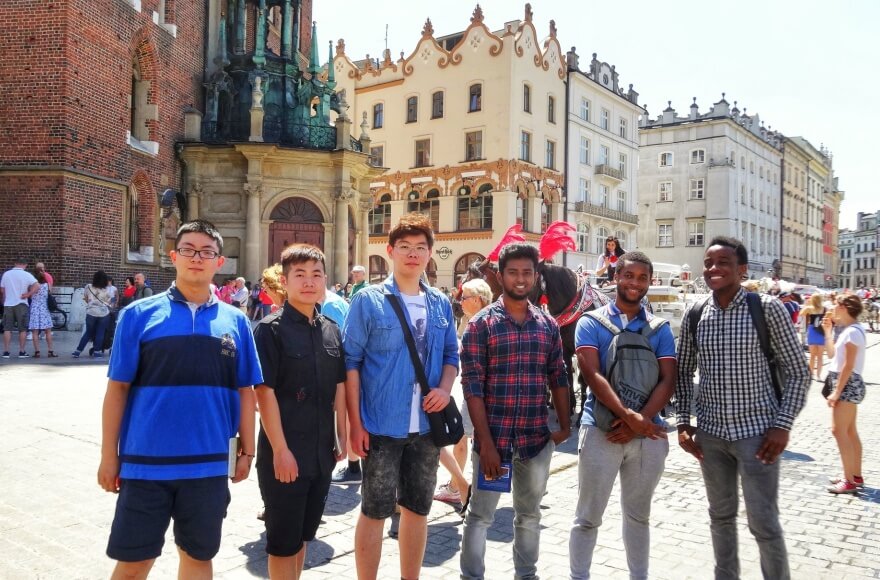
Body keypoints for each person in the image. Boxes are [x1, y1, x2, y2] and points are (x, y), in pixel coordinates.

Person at [98, 219, 261, 578]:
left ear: (220, 262)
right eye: (188, 250)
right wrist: (109, 456)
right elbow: (117, 390)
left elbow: (245, 392)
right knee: (133, 564)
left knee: (198, 559)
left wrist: (248, 452)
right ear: (174, 256)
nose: (196, 258)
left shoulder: (235, 322)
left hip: (208, 464)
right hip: (145, 464)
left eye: (207, 252)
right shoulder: (137, 315)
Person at [676, 236, 810, 580]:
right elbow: (682, 370)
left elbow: (798, 372)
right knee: (720, 518)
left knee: (763, 522)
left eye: (723, 262)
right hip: (711, 436)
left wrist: (783, 425)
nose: (713, 269)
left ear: (742, 269)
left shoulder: (766, 308)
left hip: (758, 435)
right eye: (709, 263)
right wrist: (682, 423)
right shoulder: (695, 313)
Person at [342, 212, 459, 580]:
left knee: (417, 509)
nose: (413, 254)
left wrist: (444, 387)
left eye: (421, 248)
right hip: (380, 423)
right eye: (405, 247)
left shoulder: (440, 303)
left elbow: (452, 356)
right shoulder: (369, 300)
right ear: (390, 251)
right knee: (375, 510)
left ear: (429, 254)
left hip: (426, 426)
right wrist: (354, 424)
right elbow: (351, 363)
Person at [459, 242, 571, 580]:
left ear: (536, 276)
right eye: (513, 272)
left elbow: (559, 374)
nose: (520, 279)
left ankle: (527, 574)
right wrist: (488, 444)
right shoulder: (481, 326)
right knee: (480, 516)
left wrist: (564, 426)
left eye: (527, 273)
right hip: (495, 444)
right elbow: (472, 388)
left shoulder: (547, 325)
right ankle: (471, 575)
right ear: (500, 276)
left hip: (536, 441)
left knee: (529, 514)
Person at [569, 251, 677, 580]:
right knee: (588, 516)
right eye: (628, 275)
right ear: (616, 277)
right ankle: (579, 576)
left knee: (638, 516)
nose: (635, 282)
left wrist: (639, 422)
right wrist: (632, 418)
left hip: (646, 436)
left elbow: (668, 380)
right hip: (602, 430)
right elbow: (591, 374)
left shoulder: (660, 328)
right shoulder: (590, 322)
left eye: (642, 277)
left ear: (650, 282)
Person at [253, 244, 347, 578]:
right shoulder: (270, 330)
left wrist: (342, 437)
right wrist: (280, 450)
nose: (309, 282)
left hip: (321, 454)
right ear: (286, 280)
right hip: (285, 453)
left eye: (316, 275)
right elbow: (264, 394)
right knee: (282, 541)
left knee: (304, 536)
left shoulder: (332, 330)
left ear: (324, 280)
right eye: (300, 275)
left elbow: (338, 388)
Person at [434, 278, 492, 509]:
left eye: (464, 297)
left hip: (476, 391)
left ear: (477, 300)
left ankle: (458, 487)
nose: (460, 301)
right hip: (476, 390)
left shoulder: (480, 323)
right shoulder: (477, 320)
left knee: (460, 436)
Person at [822, 294, 867, 494]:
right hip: (846, 382)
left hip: (846, 384)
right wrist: (828, 332)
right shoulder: (851, 331)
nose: (833, 308)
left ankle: (849, 480)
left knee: (838, 431)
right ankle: (854, 475)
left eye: (836, 305)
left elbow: (848, 366)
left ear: (844, 307)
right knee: (849, 431)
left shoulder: (852, 333)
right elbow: (832, 356)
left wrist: (836, 392)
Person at [1, 257, 39, 358]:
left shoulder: (6, 274)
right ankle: (22, 351)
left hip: (8, 304)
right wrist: (28, 294)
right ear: (25, 265)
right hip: (22, 304)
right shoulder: (27, 275)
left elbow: (2, 290)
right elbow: (37, 285)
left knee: (7, 329)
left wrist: (4, 301)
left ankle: (6, 352)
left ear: (15, 263)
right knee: (22, 329)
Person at [72, 270, 114, 359]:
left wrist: (91, 303)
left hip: (91, 313)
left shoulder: (88, 287)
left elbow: (86, 298)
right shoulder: (107, 290)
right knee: (100, 332)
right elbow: (109, 301)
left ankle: (77, 351)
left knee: (88, 332)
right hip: (103, 313)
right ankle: (97, 352)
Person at [28, 270, 57, 358]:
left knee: (35, 332)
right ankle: (50, 351)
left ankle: (37, 352)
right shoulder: (47, 285)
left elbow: (29, 295)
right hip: (44, 309)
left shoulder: (32, 286)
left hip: (35, 309)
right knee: (48, 331)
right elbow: (49, 294)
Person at [802, 293, 827, 381]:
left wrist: (807, 304)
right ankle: (818, 376)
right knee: (820, 356)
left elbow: (801, 314)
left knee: (812, 355)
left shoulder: (809, 308)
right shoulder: (824, 309)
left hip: (812, 330)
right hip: (821, 331)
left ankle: (811, 374)